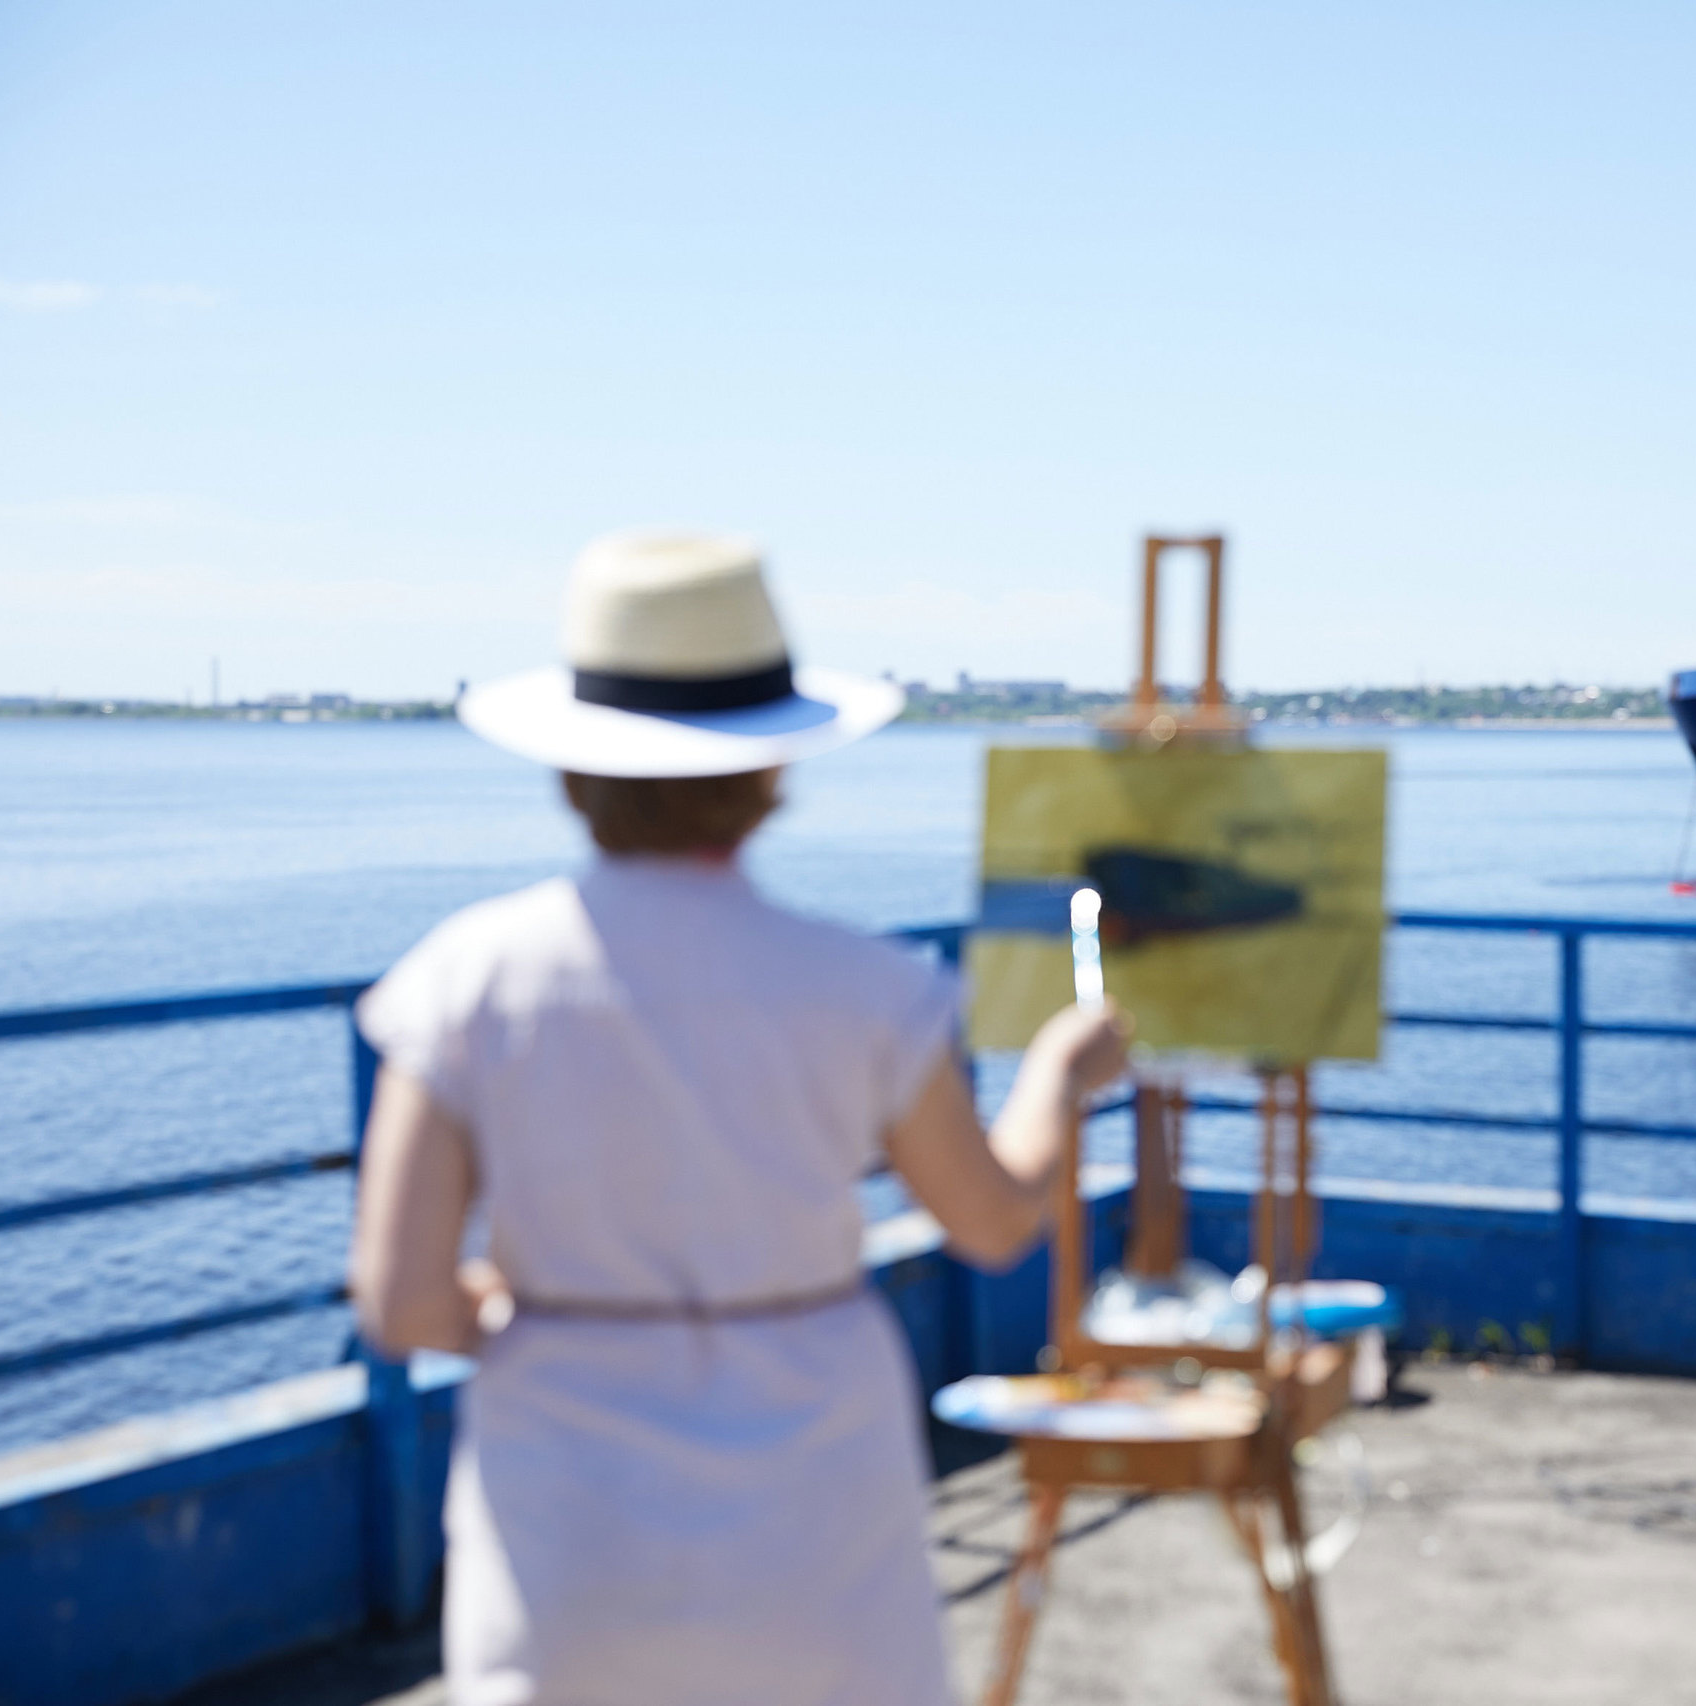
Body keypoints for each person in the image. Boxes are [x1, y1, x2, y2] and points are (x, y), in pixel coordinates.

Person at [348, 532, 1127, 1706]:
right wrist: (1057, 1077)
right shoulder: (869, 988)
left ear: (572, 765)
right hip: (813, 1516)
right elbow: (990, 1218)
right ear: (773, 770)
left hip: (565, 1513)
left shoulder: (465, 980)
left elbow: (402, 1299)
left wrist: (547, 1308)